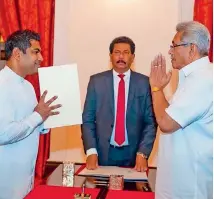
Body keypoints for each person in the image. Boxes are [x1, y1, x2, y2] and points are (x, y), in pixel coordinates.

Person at [149, 21, 212, 199]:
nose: (170, 51)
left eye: (174, 46)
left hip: (189, 186)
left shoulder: (202, 80)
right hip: (180, 181)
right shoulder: (192, 78)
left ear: (191, 49)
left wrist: (156, 89)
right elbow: (172, 116)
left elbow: (166, 123)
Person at [0, 30, 61, 199]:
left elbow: (30, 123)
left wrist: (44, 120)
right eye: (36, 52)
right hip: (5, 182)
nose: (41, 58)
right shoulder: (1, 85)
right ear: (17, 54)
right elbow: (3, 133)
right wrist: (37, 116)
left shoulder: (28, 86)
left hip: (25, 178)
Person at [81, 36, 157, 173]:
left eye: (126, 53)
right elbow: (87, 120)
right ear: (110, 56)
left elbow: (150, 122)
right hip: (103, 153)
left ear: (133, 57)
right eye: (117, 52)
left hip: (134, 154)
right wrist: (91, 151)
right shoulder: (96, 81)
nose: (121, 56)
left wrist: (143, 153)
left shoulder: (144, 83)